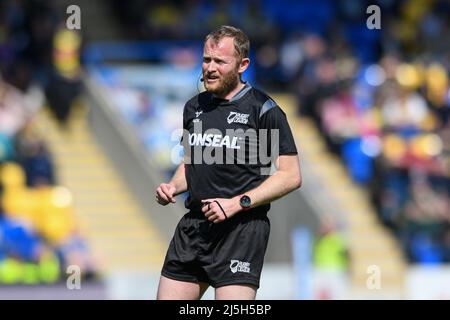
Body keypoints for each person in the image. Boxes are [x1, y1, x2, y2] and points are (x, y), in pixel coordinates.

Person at [155, 25, 302, 300]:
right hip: (194, 228)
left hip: (241, 232)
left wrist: (237, 203)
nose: (210, 68)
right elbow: (192, 162)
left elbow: (290, 175)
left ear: (242, 64)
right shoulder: (194, 107)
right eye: (206, 59)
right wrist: (172, 187)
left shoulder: (263, 110)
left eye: (220, 61)